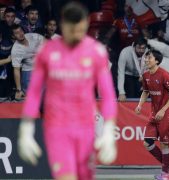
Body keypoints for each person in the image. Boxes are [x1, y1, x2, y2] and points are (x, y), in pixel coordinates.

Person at [17, 2, 118, 180]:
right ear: (63, 25)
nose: (76, 36)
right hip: (57, 127)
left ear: (86, 24)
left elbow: (108, 95)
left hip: (85, 126)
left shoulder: (96, 52)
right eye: (72, 31)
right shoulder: (47, 51)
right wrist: (26, 128)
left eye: (80, 30)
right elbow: (33, 93)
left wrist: (109, 130)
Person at [135, 49, 169, 180]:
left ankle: (166, 174)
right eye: (146, 58)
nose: (146, 60)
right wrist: (140, 105)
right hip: (154, 115)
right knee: (147, 143)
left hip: (166, 115)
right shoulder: (146, 75)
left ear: (157, 60)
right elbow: (145, 91)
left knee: (164, 144)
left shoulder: (165, 75)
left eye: (149, 58)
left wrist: (163, 109)